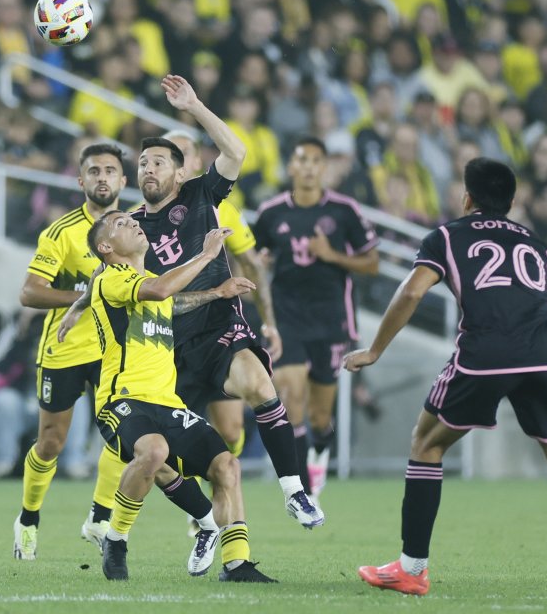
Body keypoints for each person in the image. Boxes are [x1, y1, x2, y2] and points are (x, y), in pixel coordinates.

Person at [344, 157, 547, 596]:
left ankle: (412, 568)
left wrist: (374, 350)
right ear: (512, 201)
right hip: (545, 360)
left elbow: (412, 291)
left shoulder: (446, 236)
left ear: (467, 197)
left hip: (487, 354)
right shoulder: (538, 244)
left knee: (426, 443)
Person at [14, 143, 223, 576]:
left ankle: (101, 516)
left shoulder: (134, 231)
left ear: (123, 181)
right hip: (72, 349)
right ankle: (30, 518)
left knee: (136, 445)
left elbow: (160, 293)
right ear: (82, 181)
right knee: (53, 442)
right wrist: (80, 304)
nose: (104, 178)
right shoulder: (67, 233)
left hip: (118, 352)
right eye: (95, 171)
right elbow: (30, 292)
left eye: (111, 170)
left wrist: (217, 292)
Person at [128, 75, 321, 526]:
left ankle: (294, 490)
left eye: (159, 162)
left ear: (180, 172)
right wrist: (213, 289)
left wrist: (194, 105)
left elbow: (236, 152)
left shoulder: (201, 195)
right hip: (165, 349)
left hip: (219, 329)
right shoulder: (131, 229)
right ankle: (202, 523)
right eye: (142, 163)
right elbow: (158, 302)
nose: (149, 169)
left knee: (259, 386)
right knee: (154, 451)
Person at [87, 211, 275, 583]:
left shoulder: (151, 282)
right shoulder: (110, 280)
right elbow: (160, 293)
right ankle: (116, 539)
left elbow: (170, 303)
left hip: (167, 402)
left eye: (131, 219)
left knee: (227, 466)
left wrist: (217, 293)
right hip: (121, 400)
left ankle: (236, 563)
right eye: (120, 224)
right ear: (106, 247)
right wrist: (206, 255)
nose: (132, 223)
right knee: (154, 452)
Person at [253, 136, 379, 500]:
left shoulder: (344, 210)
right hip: (287, 318)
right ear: (291, 167)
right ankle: (304, 495)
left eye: (315, 161)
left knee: (321, 416)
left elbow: (372, 263)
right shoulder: (272, 212)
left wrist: (332, 254)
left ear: (324, 168)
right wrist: (260, 264)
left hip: (330, 319)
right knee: (290, 398)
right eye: (301, 160)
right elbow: (253, 256)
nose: (308, 167)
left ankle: (319, 449)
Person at [161, 130, 282, 460]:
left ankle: (222, 484)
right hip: (168, 336)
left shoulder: (219, 206)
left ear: (197, 162)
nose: (175, 163)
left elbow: (251, 264)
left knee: (229, 431)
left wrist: (269, 322)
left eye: (182, 154)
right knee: (169, 437)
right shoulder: (139, 216)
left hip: (215, 332)